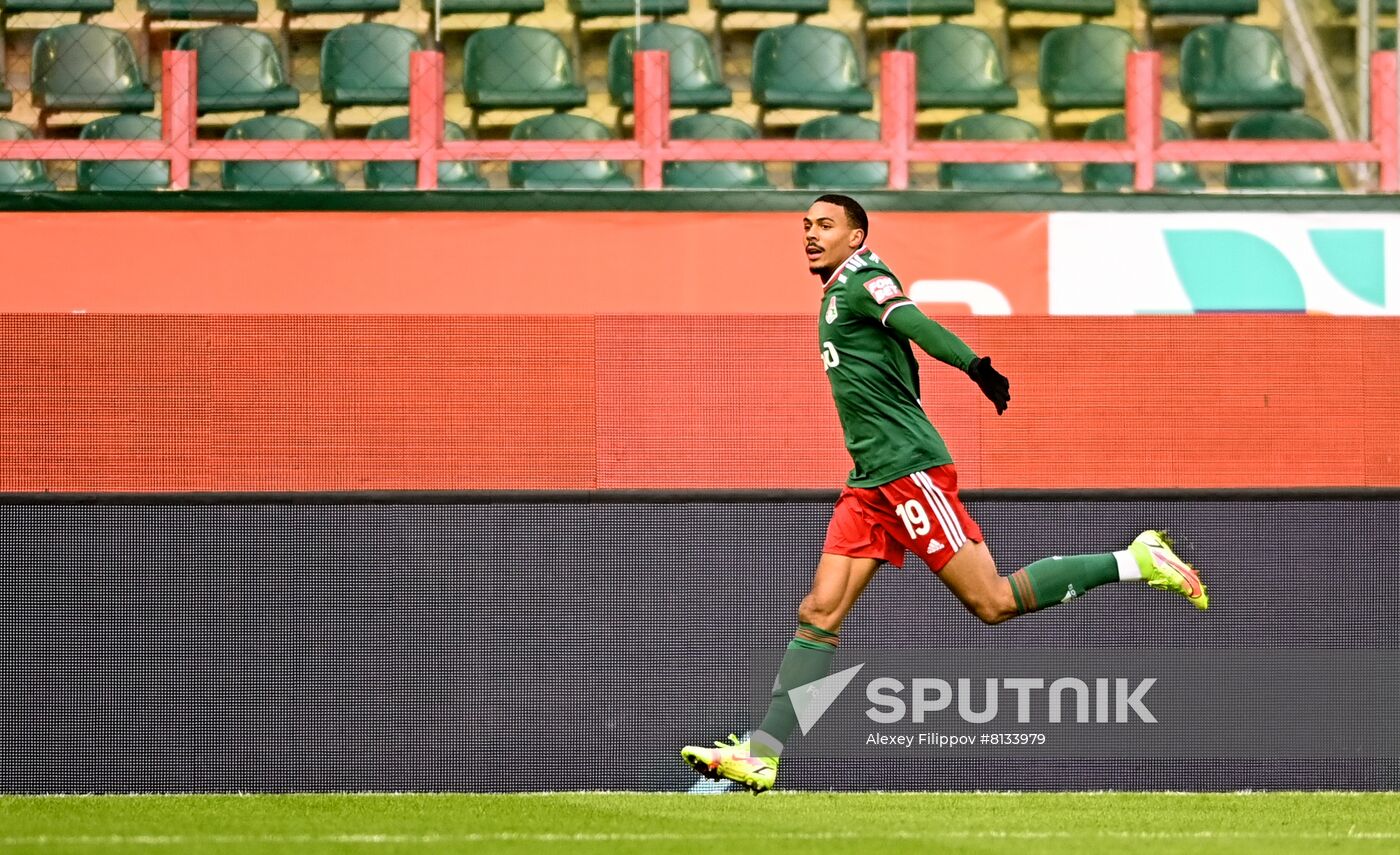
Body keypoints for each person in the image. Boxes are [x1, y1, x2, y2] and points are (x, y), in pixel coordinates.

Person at [680, 194, 1207, 794]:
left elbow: (915, 323)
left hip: (908, 471)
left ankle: (1136, 560)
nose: (811, 233)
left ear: (856, 238)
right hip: (868, 485)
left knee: (993, 602)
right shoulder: (834, 293)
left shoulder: (863, 279)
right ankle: (763, 754)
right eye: (805, 225)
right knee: (819, 612)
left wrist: (975, 365)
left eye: (826, 225)